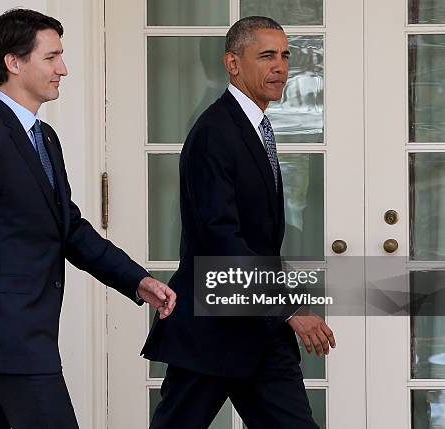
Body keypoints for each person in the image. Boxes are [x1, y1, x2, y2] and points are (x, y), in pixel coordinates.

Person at [0, 8, 176, 429]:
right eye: (51, 58)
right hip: (13, 338)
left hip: (12, 338)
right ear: (14, 63)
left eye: (62, 57)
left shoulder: (43, 136)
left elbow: (68, 227)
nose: (63, 69)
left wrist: (135, 280)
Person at [142, 16, 335, 429]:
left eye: (285, 55)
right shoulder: (215, 132)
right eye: (266, 56)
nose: (280, 67)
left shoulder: (255, 127)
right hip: (212, 330)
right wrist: (289, 308)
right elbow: (221, 238)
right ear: (232, 63)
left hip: (258, 333)